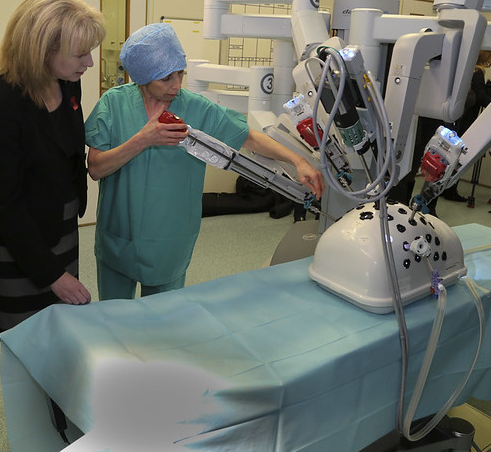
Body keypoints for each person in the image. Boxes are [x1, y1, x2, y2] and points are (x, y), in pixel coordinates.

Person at [85, 23, 324, 301]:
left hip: (169, 238)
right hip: (118, 235)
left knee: (163, 316)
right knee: (113, 315)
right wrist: (143, 139)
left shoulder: (195, 107)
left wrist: (297, 160)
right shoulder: (113, 105)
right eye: (166, 79)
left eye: (180, 73)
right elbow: (96, 168)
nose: (176, 85)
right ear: (142, 77)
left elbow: (248, 137)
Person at [0, 0, 104, 442]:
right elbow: (5, 204)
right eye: (80, 54)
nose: (89, 63)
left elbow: (69, 149)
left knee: (59, 328)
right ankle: (32, 429)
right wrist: (52, 275)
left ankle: (61, 411)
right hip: (18, 238)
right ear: (43, 48)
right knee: (26, 339)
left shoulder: (67, 84)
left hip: (59, 223)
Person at [440, 50, 491, 202]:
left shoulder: (466, 70)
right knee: (459, 155)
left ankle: (443, 187)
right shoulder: (478, 72)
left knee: (450, 153)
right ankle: (450, 189)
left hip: (457, 117)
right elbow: (481, 97)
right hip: (467, 119)